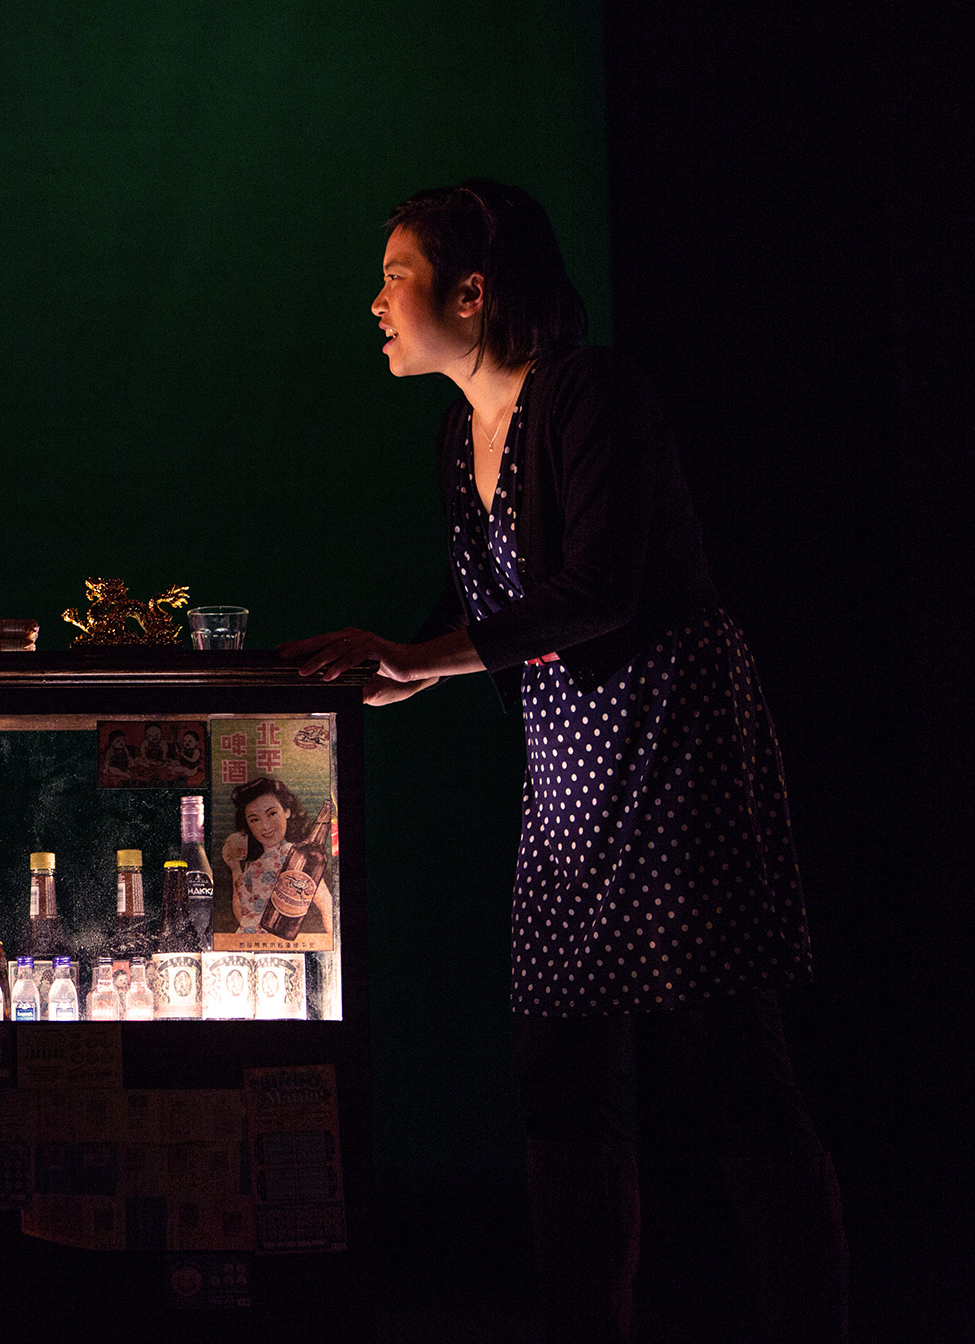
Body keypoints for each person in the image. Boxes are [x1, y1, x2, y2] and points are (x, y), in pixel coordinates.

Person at [282, 181, 846, 1342]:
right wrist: (404, 666)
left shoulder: (591, 392)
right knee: (560, 1073)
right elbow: (490, 598)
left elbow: (599, 589)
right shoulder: (461, 434)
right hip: (569, 772)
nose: (376, 303)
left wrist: (424, 659)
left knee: (733, 1065)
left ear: (472, 293)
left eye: (396, 277)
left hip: (672, 746)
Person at [220, 776, 330, 936]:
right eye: (254, 819)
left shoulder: (296, 855)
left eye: (271, 814)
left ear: (286, 811)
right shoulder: (254, 862)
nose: (265, 826)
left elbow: (326, 904)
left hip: (277, 942)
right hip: (246, 941)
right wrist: (235, 868)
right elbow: (244, 917)